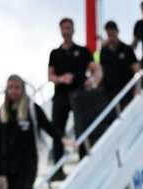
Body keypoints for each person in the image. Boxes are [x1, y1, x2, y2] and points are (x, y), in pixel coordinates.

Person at [0, 75, 61, 189]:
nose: (13, 91)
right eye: (10, 87)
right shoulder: (3, 111)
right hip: (7, 165)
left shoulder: (31, 108)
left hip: (27, 164)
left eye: (16, 87)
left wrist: (62, 139)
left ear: (23, 89)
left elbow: (48, 126)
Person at [48, 17, 103, 170]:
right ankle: (57, 169)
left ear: (73, 29)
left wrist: (92, 81)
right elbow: (50, 76)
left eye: (68, 27)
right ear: (60, 30)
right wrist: (61, 78)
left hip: (80, 95)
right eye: (63, 28)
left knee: (82, 129)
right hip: (60, 96)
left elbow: (96, 69)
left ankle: (84, 163)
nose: (66, 31)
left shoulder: (83, 51)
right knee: (57, 130)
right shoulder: (55, 53)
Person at [100, 20, 140, 107]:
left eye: (113, 33)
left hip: (126, 91)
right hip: (109, 92)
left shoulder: (127, 49)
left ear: (117, 32)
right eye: (109, 34)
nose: (111, 36)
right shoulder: (103, 51)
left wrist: (137, 89)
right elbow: (100, 70)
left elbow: (137, 70)